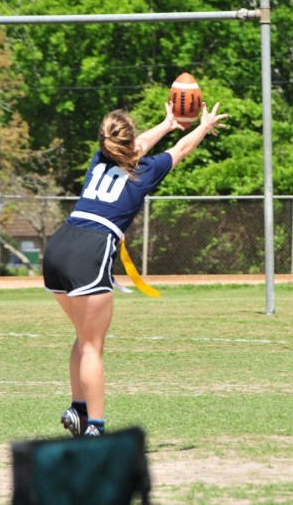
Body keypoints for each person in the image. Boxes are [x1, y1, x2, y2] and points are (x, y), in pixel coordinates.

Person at [43, 100, 227, 437]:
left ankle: (78, 411)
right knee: (92, 346)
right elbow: (182, 149)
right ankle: (95, 429)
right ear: (129, 143)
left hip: (59, 246)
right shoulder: (145, 171)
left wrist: (168, 123)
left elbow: (136, 144)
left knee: (85, 339)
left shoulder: (99, 159)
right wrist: (202, 125)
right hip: (90, 249)